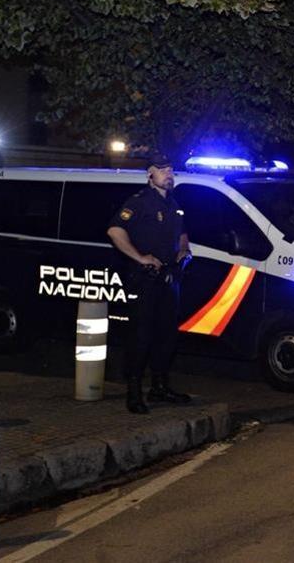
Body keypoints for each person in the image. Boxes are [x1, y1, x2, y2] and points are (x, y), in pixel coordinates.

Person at [107, 153, 194, 414]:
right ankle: (133, 393)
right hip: (145, 278)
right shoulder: (140, 202)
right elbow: (114, 231)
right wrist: (140, 257)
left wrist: (184, 250)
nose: (168, 173)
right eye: (162, 169)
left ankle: (160, 386)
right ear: (150, 174)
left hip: (169, 279)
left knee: (166, 335)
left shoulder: (174, 204)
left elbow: (182, 233)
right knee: (140, 336)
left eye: (170, 169)